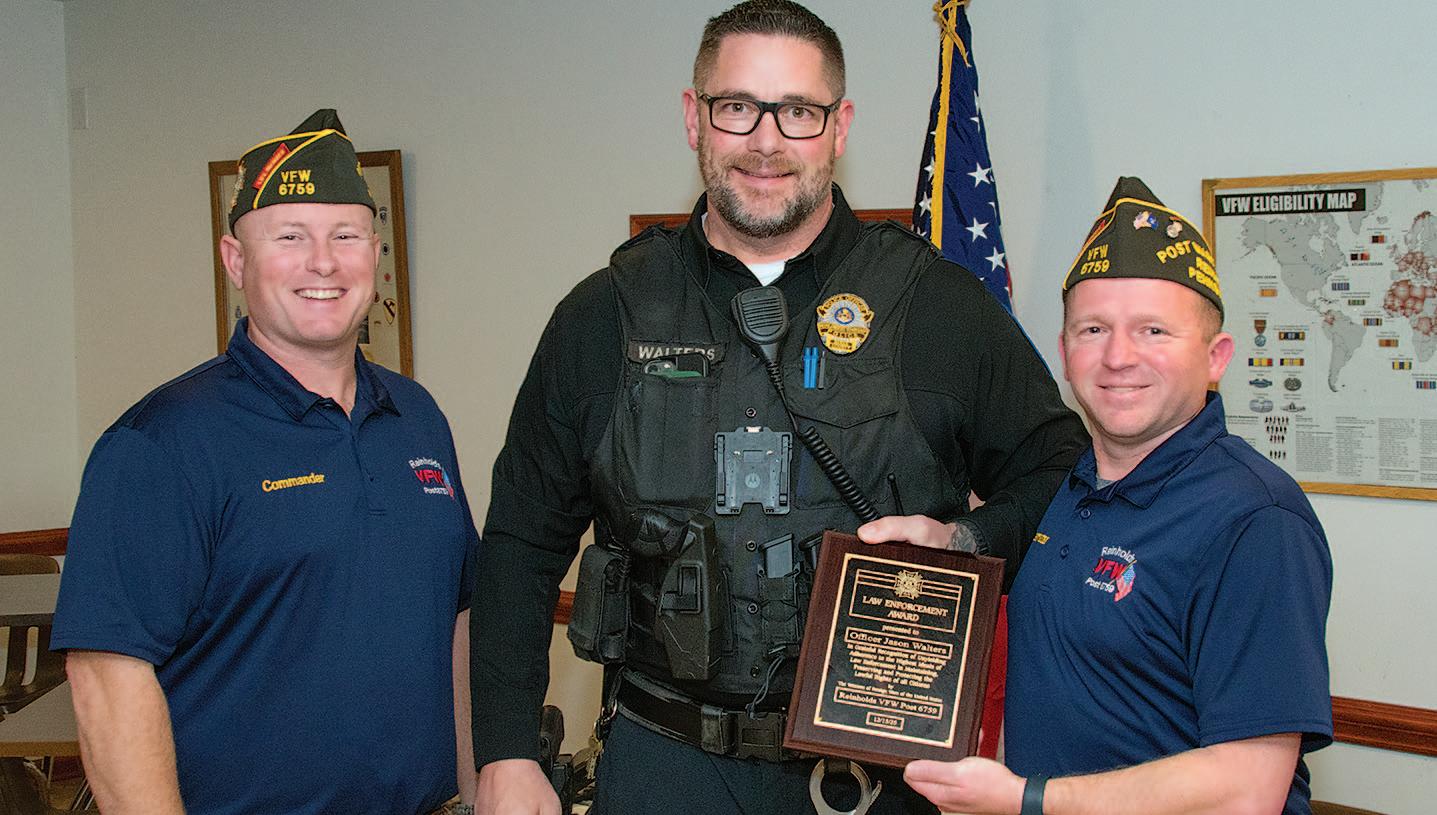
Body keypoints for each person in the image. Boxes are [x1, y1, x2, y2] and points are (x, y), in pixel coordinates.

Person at [469, 3, 1087, 813]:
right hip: (663, 765)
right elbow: (519, 541)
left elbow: (1061, 472)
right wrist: (506, 749)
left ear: (839, 127)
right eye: (737, 107)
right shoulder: (602, 315)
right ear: (693, 118)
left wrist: (967, 538)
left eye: (797, 111)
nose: (766, 141)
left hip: (871, 775)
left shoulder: (939, 307)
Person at [52, 109, 481, 815]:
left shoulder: (418, 417)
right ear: (235, 260)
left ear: (375, 254)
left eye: (345, 235)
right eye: (290, 237)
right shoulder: (161, 443)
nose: (323, 262)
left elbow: (458, 620)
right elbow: (106, 674)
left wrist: (474, 792)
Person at [867, 177, 1333, 815]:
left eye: (1154, 331)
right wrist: (951, 542)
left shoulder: (1255, 519)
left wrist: (1028, 800)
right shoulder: (1072, 487)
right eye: (1093, 330)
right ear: (1064, 353)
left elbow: (1247, 790)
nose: (1118, 357)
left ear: (1216, 357)